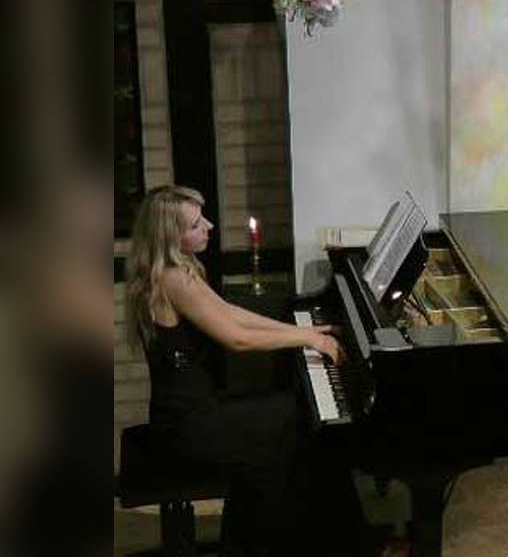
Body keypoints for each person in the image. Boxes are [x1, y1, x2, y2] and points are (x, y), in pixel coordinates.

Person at [124, 185, 398, 557]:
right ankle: (333, 543)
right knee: (302, 426)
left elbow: (230, 314)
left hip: (191, 411)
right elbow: (236, 339)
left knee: (299, 423)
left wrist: (303, 331)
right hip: (189, 426)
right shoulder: (175, 279)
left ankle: (306, 541)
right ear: (170, 237)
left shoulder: (175, 270)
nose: (209, 226)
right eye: (196, 224)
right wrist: (310, 340)